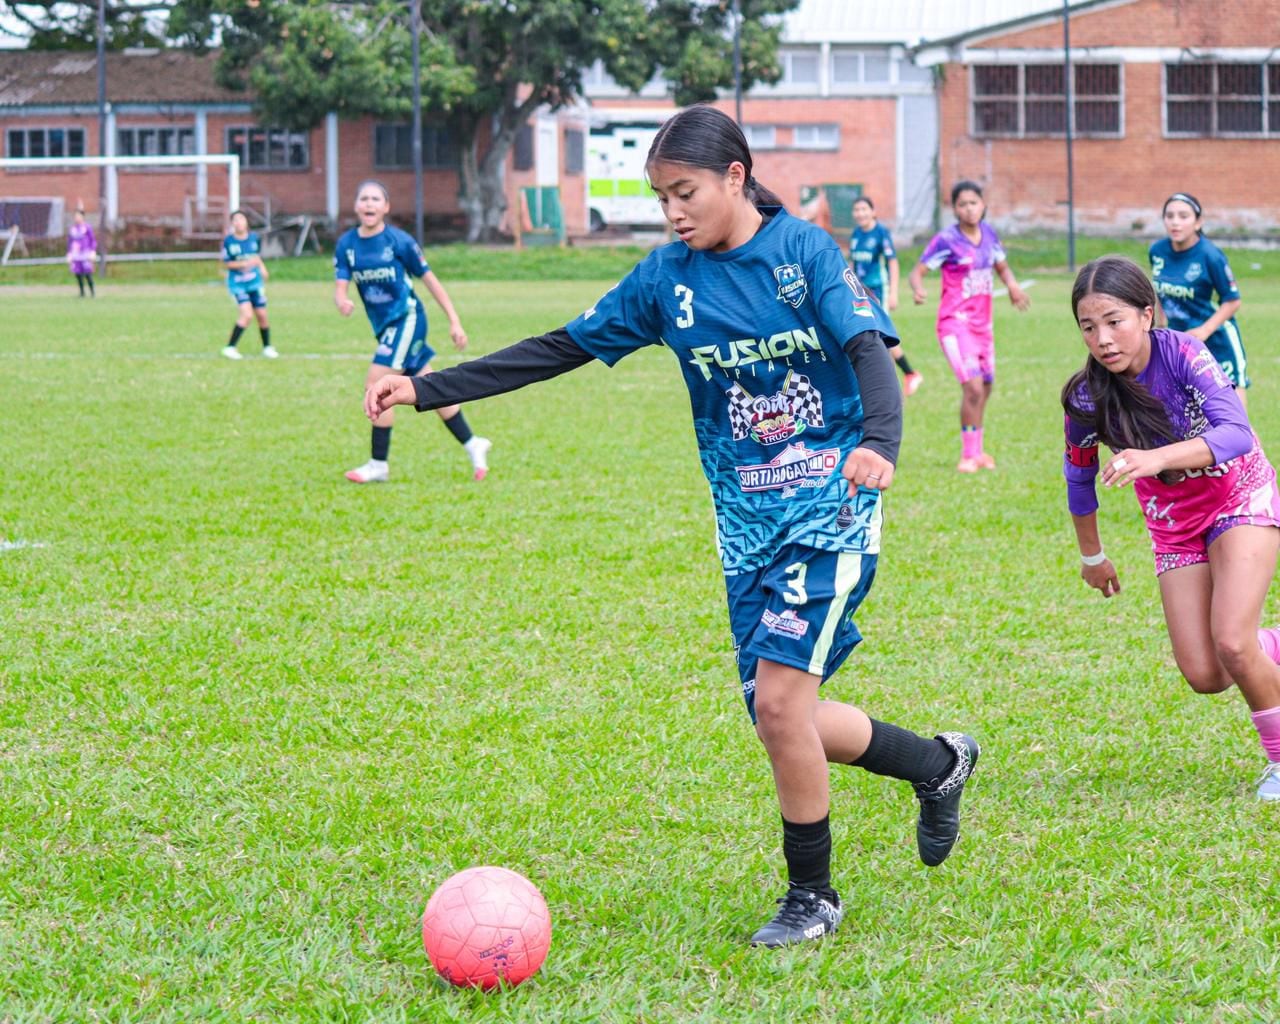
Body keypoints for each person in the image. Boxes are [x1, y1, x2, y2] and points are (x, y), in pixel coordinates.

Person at [363, 106, 979, 946]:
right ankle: (938, 764)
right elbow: (562, 346)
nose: (673, 212)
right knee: (778, 712)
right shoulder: (666, 281)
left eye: (684, 192)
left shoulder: (803, 254)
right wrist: (429, 387)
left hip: (832, 505)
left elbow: (868, 346)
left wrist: (878, 443)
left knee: (780, 704)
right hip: (745, 524)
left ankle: (813, 897)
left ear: (735, 176)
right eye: (661, 198)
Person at [1061, 255, 1280, 800]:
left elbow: (1236, 433)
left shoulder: (1183, 352)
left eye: (1115, 320)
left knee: (1231, 640)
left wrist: (1155, 458)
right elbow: (1079, 480)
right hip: (1176, 526)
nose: (1103, 339)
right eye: (1089, 327)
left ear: (1146, 313)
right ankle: (1268, 646)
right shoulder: (1086, 396)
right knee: (1207, 674)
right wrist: (1092, 557)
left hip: (1238, 496)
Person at [334, 180, 489, 484]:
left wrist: (454, 321)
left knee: (376, 383)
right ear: (356, 206)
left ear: (386, 207)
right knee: (428, 386)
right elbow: (340, 286)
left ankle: (378, 464)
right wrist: (342, 301)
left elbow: (431, 282)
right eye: (363, 198)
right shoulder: (347, 245)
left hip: (407, 319)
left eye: (375, 199)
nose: (369, 204)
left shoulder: (399, 242)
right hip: (384, 328)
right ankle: (473, 444)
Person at [909, 181, 1029, 473]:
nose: (969, 208)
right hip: (955, 325)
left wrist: (1012, 285)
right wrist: (918, 289)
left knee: (986, 386)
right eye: (962, 204)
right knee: (973, 387)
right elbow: (918, 271)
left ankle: (978, 452)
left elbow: (1001, 265)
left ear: (983, 205)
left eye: (973, 202)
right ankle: (966, 455)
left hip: (982, 327)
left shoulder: (989, 234)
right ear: (955, 208)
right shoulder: (946, 240)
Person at [1149, 192, 1248, 405]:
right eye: (1170, 215)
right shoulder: (1157, 251)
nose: (1175, 222)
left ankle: (1245, 438)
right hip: (1180, 338)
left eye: (1183, 216)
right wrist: (1160, 323)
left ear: (1198, 222)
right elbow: (1159, 289)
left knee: (1230, 393)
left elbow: (1232, 300)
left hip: (1216, 337)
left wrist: (1204, 331)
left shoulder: (1210, 255)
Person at [849, 196, 921, 395]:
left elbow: (892, 263)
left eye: (864, 209)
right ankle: (897, 379)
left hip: (879, 291)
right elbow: (853, 265)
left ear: (873, 212)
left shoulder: (880, 233)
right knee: (875, 335)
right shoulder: (855, 234)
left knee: (879, 334)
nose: (860, 213)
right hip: (860, 292)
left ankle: (907, 375)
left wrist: (894, 292)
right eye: (857, 210)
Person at [220, 210, 277, 360]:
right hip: (238, 284)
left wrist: (263, 268)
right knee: (246, 315)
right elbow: (227, 263)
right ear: (232, 224)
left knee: (262, 315)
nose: (238, 222)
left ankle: (267, 347)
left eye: (241, 219)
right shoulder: (229, 241)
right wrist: (242, 264)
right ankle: (230, 348)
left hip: (255, 282)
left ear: (246, 222)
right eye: (235, 220)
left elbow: (256, 257)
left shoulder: (254, 238)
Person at [66, 209, 96, 298]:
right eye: (75, 216)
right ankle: (82, 293)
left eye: (78, 216)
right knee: (78, 274)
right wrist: (69, 253)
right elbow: (70, 242)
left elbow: (92, 240)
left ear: (83, 217)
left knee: (87, 273)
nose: (77, 218)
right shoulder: (73, 229)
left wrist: (93, 251)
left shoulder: (87, 227)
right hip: (76, 254)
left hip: (85, 254)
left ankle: (92, 292)